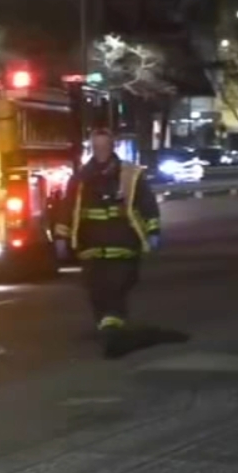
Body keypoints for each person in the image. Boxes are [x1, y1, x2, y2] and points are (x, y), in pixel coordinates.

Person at [53, 128, 162, 357]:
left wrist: (153, 231)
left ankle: (112, 333)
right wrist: (61, 236)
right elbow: (68, 207)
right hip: (92, 249)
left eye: (104, 146)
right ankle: (110, 328)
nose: (101, 151)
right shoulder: (81, 177)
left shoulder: (130, 175)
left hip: (124, 245)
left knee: (117, 290)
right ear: (92, 148)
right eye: (96, 147)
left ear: (113, 147)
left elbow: (147, 204)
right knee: (97, 293)